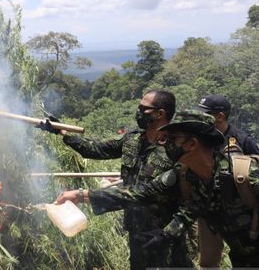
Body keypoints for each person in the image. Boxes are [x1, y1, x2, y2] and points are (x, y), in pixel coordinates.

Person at [55, 110, 259, 267]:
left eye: (172, 138)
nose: (165, 143)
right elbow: (142, 193)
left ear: (191, 144)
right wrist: (81, 195)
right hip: (243, 258)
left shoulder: (243, 174)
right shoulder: (185, 175)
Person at [38, 90, 192, 269]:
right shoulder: (133, 139)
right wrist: (62, 131)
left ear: (160, 113)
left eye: (144, 108)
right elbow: (95, 149)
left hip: (164, 234)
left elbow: (143, 193)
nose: (138, 111)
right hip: (135, 229)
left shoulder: (176, 148)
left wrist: (82, 195)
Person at [196, 94, 259, 267]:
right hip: (209, 213)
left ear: (220, 116)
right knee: (208, 262)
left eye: (205, 114)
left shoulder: (242, 141)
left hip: (240, 218)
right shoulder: (201, 140)